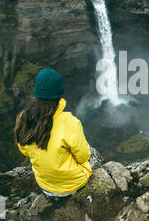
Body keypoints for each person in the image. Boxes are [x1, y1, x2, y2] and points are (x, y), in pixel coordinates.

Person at [15, 68, 92, 197]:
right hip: (73, 185)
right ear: (59, 94)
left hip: (45, 186)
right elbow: (83, 156)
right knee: (86, 162)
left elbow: (24, 150)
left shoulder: (24, 118)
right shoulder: (70, 122)